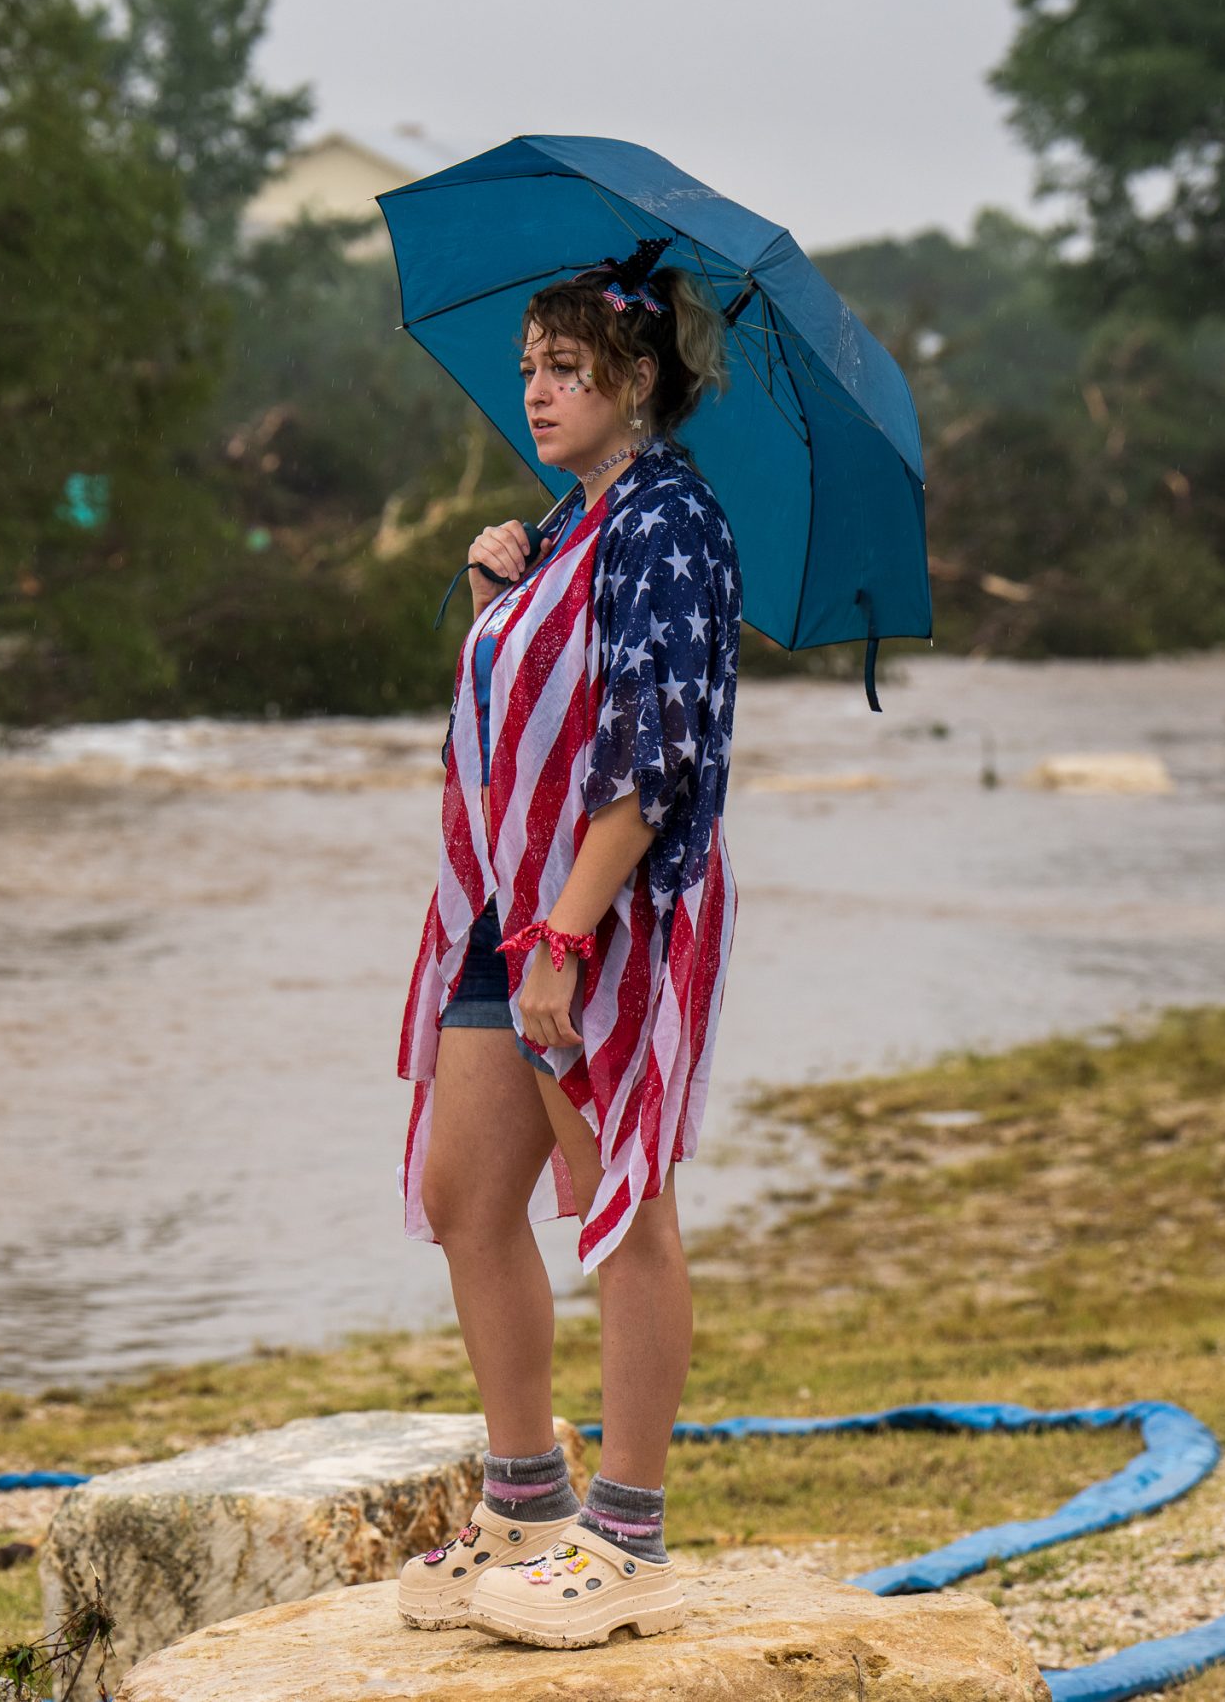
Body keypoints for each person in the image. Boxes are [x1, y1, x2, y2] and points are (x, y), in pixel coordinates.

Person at [391, 240, 743, 1650]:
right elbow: (494, 745)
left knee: (619, 1206)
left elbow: (656, 750)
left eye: (565, 367)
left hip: (596, 912)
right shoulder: (567, 527)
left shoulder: (670, 523)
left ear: (639, 375)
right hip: (507, 906)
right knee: (467, 1192)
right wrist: (493, 608)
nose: (532, 390)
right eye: (527, 366)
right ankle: (527, 1502)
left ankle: (631, 1540)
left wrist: (569, 934)